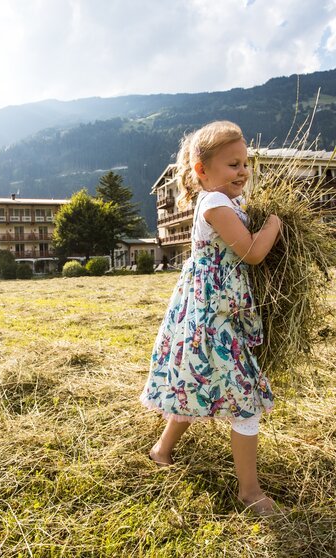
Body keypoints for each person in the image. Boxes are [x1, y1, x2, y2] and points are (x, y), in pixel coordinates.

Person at [140, 121, 282, 516]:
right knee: (245, 399)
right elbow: (252, 252)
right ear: (202, 170)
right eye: (233, 164)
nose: (243, 171)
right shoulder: (215, 204)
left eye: (245, 163)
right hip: (212, 319)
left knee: (195, 384)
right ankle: (250, 492)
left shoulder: (226, 203)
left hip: (218, 312)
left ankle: (161, 450)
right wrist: (274, 225)